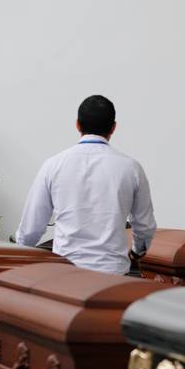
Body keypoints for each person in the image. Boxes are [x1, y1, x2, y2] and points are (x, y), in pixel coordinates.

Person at [15, 95, 157, 274]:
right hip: (113, 275)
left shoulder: (53, 165)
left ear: (77, 125)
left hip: (65, 273)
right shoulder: (132, 168)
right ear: (113, 127)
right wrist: (137, 253)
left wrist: (18, 254)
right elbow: (145, 226)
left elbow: (31, 228)